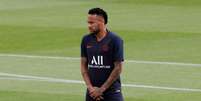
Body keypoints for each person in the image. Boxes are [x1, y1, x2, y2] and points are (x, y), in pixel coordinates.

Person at [80, 7, 124, 101]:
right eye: (88, 22)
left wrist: (101, 90)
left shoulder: (115, 40)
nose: (89, 26)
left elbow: (118, 68)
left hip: (112, 93)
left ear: (102, 22)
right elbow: (83, 65)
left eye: (92, 23)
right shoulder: (86, 40)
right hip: (92, 93)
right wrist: (90, 88)